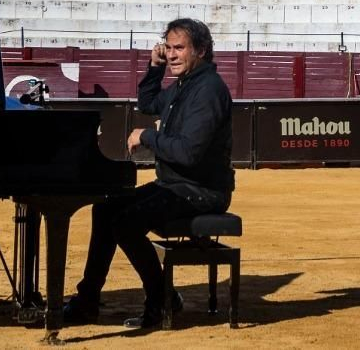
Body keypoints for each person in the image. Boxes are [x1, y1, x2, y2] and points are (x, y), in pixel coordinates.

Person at [64, 18, 234, 329]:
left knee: (127, 223)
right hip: (176, 184)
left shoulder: (208, 90)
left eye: (179, 48)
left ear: (201, 51)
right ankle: (87, 300)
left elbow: (188, 152)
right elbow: (147, 103)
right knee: (106, 209)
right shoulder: (185, 84)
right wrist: (154, 68)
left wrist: (147, 137)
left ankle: (162, 298)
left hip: (202, 191)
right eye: (168, 48)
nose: (171, 54)